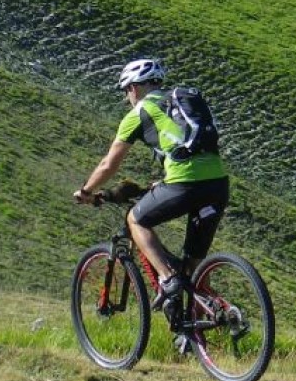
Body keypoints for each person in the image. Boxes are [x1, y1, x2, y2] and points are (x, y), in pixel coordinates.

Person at [73, 57, 229, 316]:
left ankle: (167, 279)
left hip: (184, 182)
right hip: (218, 185)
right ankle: (197, 330)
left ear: (133, 87)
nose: (127, 98)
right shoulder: (178, 104)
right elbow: (185, 148)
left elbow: (108, 165)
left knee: (135, 219)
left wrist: (86, 192)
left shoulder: (139, 113)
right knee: (194, 269)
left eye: (126, 91)